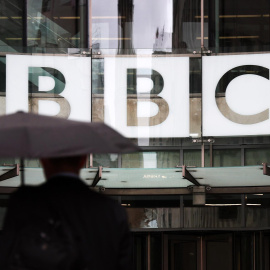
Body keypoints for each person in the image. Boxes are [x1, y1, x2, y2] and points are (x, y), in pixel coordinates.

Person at [0, 155, 132, 270]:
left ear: (44, 160)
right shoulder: (112, 210)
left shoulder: (24, 202)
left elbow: (6, 257)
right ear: (83, 160)